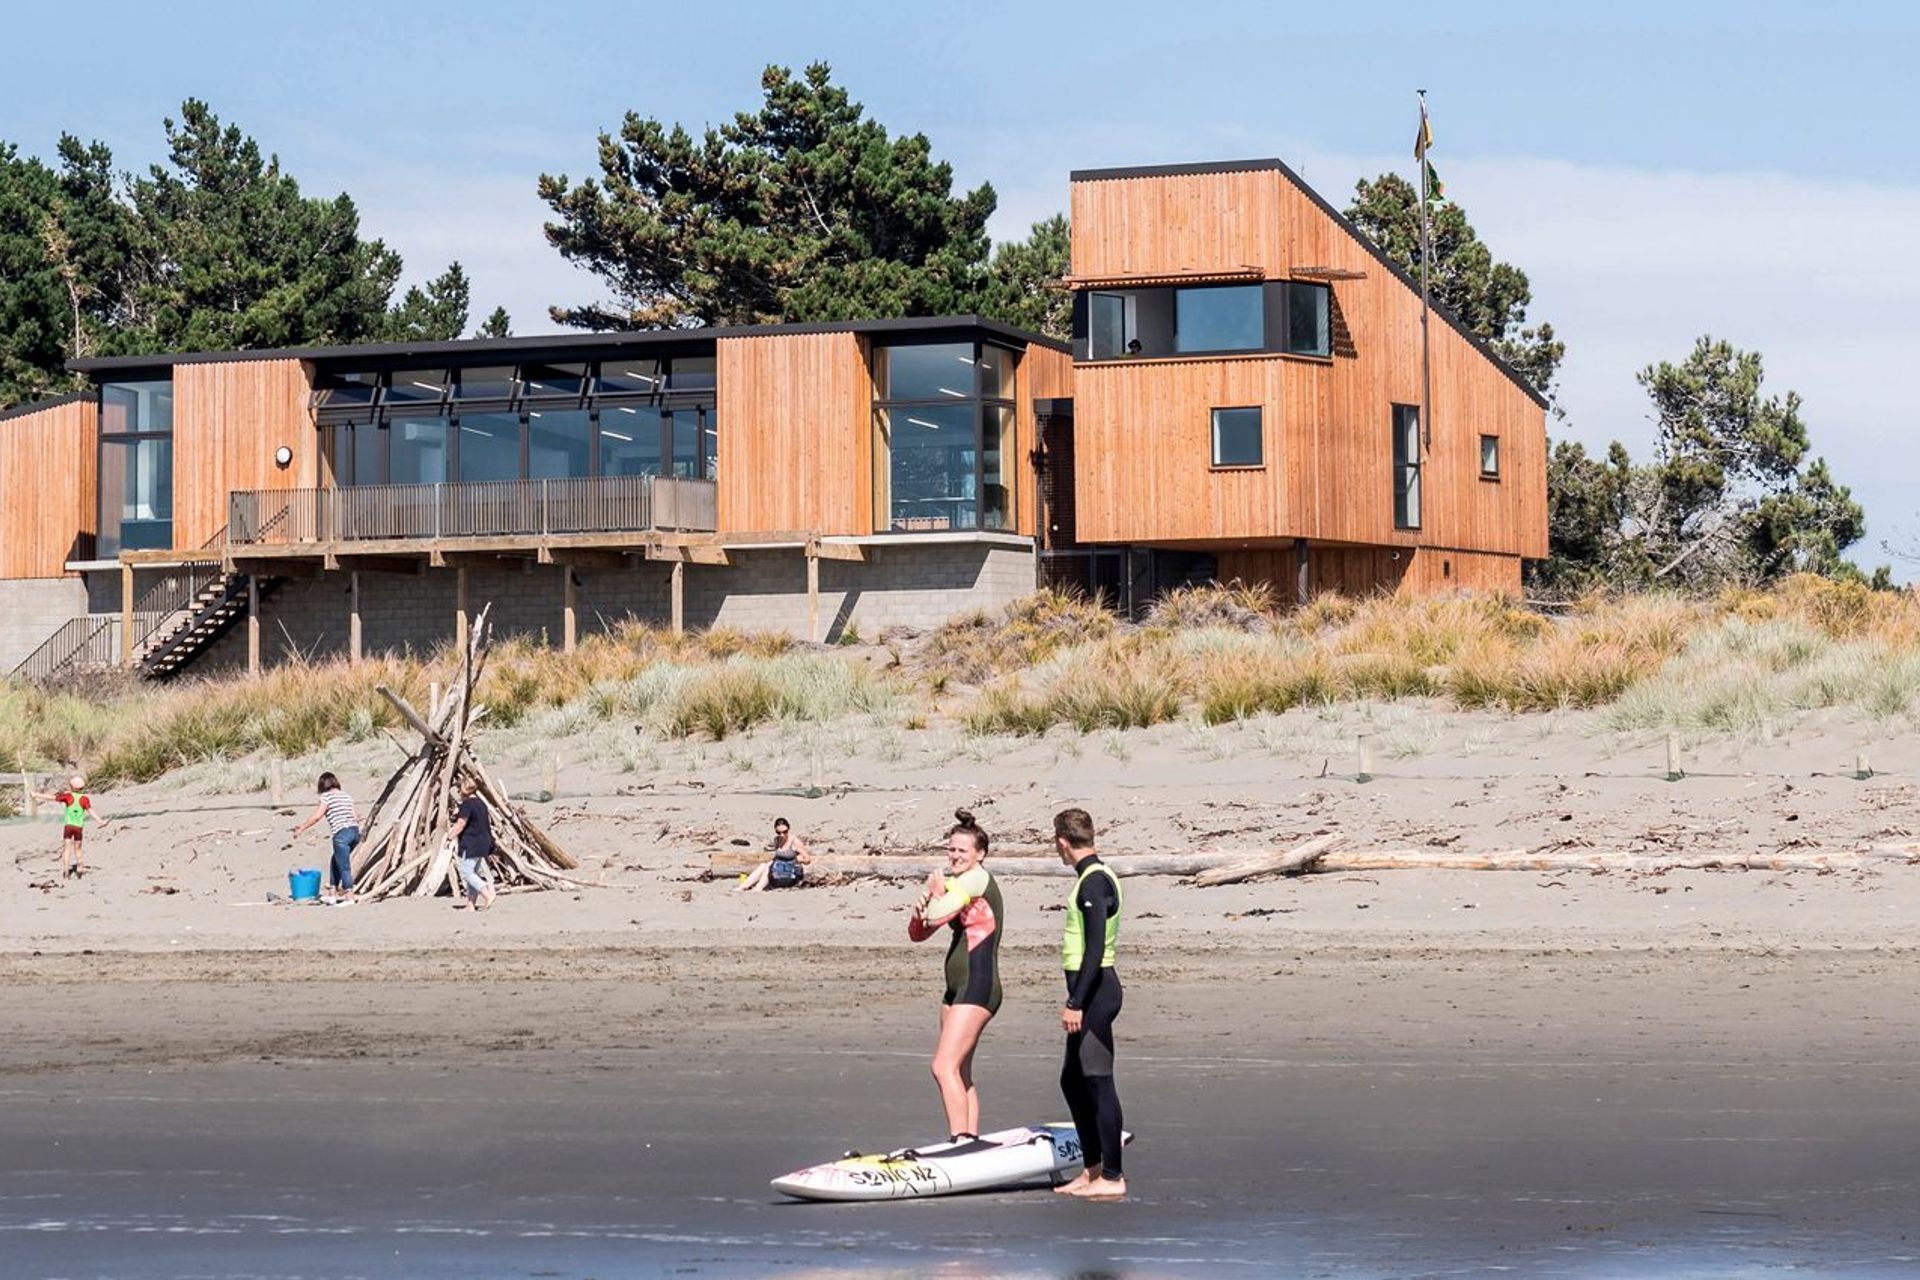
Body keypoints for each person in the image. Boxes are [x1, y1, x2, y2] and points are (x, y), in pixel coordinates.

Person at [907, 809, 1004, 1144]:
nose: (955, 856)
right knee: (960, 1071)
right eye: (951, 849)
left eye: (963, 850)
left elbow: (938, 912)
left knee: (942, 1066)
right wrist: (918, 914)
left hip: (978, 986)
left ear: (980, 854)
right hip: (956, 989)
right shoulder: (955, 884)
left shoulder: (977, 879)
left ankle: (959, 1139)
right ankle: (970, 1139)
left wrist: (936, 895)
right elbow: (919, 933)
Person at [1052, 807, 1127, 1198]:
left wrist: (1075, 1001)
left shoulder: (1094, 882)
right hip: (1090, 991)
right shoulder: (1092, 877)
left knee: (1098, 1080)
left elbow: (1095, 950)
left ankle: (1112, 1176)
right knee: (1073, 1080)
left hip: (1095, 992)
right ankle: (1092, 1168)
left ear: (1063, 842)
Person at [291, 772, 360, 902]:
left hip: (341, 834)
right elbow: (355, 817)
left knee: (344, 866)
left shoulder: (326, 797)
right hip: (354, 832)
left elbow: (317, 816)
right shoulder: (346, 796)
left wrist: (302, 828)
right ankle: (332, 892)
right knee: (336, 860)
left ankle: (349, 894)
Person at [33, 774, 104, 881]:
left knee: (67, 849)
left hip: (68, 826)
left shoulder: (68, 796)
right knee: (78, 849)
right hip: (78, 827)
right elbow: (91, 811)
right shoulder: (84, 799)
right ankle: (80, 868)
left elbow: (53, 798)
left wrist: (36, 795)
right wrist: (100, 821)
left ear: (71, 787)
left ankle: (66, 872)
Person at [447, 776, 496, 910]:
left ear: (463, 790)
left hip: (471, 844)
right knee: (473, 873)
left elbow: (460, 824)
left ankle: (487, 893)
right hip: (483, 843)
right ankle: (470, 905)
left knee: (466, 873)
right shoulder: (481, 803)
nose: (458, 793)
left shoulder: (467, 805)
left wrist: (449, 836)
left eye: (459, 790)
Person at [738, 817, 812, 891]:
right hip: (778, 872)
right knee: (764, 865)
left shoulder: (795, 842)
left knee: (768, 866)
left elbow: (808, 860)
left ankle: (758, 887)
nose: (782, 835)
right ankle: (744, 886)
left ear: (789, 829)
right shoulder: (777, 840)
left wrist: (796, 860)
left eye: (785, 832)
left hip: (791, 874)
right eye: (779, 833)